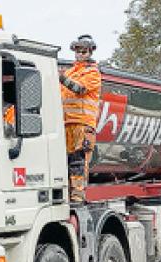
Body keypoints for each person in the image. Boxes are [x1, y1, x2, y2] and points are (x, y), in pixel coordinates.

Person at [60, 34, 102, 203]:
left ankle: (77, 196)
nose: (80, 53)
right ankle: (67, 194)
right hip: (66, 123)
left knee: (78, 160)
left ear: (90, 52)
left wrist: (62, 79)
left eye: (84, 51)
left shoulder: (93, 73)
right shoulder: (71, 71)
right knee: (65, 161)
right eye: (78, 50)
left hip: (83, 124)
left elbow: (80, 89)